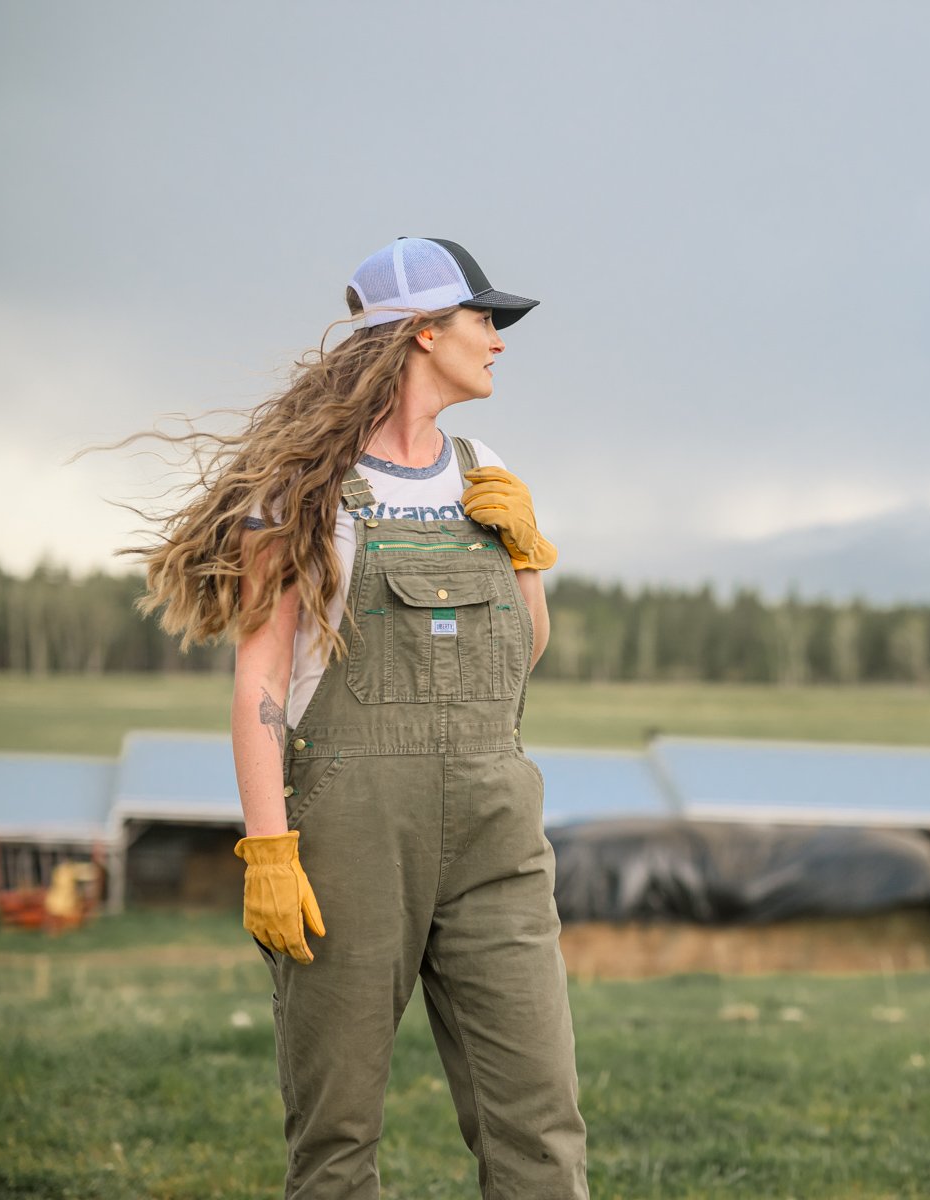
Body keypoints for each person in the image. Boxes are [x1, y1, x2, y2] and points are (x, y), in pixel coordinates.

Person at [132, 237, 588, 1198]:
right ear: (422, 333)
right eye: (482, 319)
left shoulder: (485, 466)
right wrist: (269, 847)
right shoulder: (301, 488)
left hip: (497, 827)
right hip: (350, 831)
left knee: (540, 1126)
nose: (498, 341)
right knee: (336, 1137)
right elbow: (262, 674)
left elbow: (521, 654)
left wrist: (529, 555)